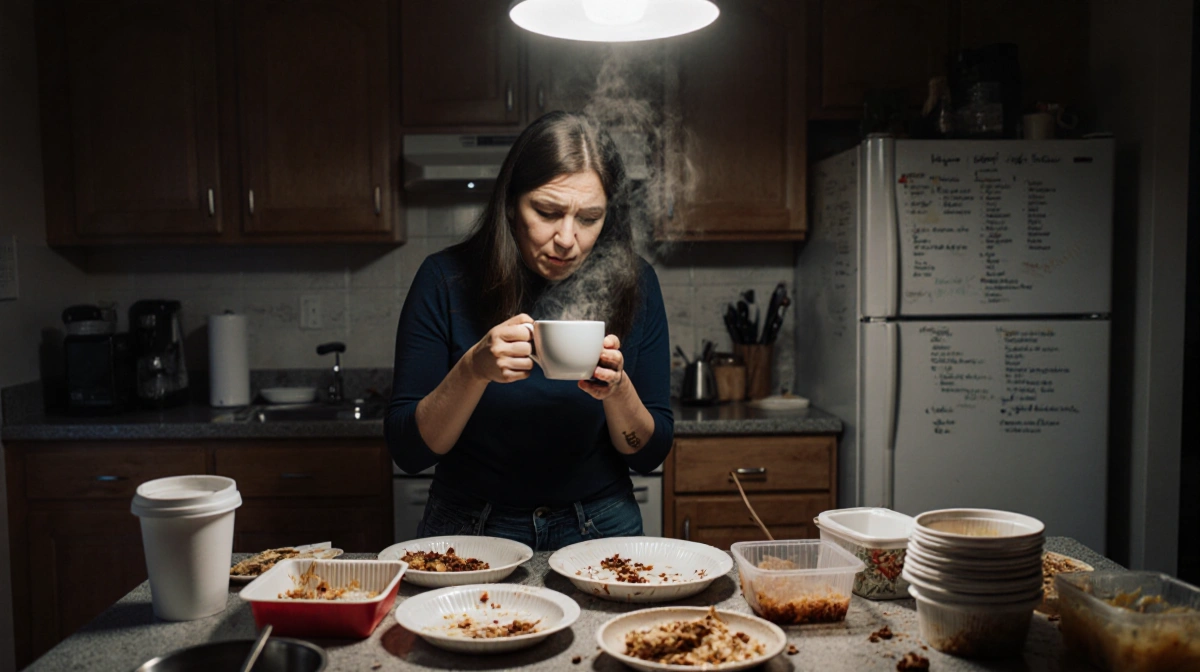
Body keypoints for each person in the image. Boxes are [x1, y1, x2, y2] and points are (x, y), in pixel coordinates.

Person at [386, 111, 674, 551]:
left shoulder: (635, 283)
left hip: (600, 522)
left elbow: (649, 455)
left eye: (589, 218)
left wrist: (618, 391)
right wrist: (473, 370)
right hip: (470, 526)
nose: (567, 238)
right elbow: (410, 453)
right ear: (510, 203)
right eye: (547, 212)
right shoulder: (445, 279)